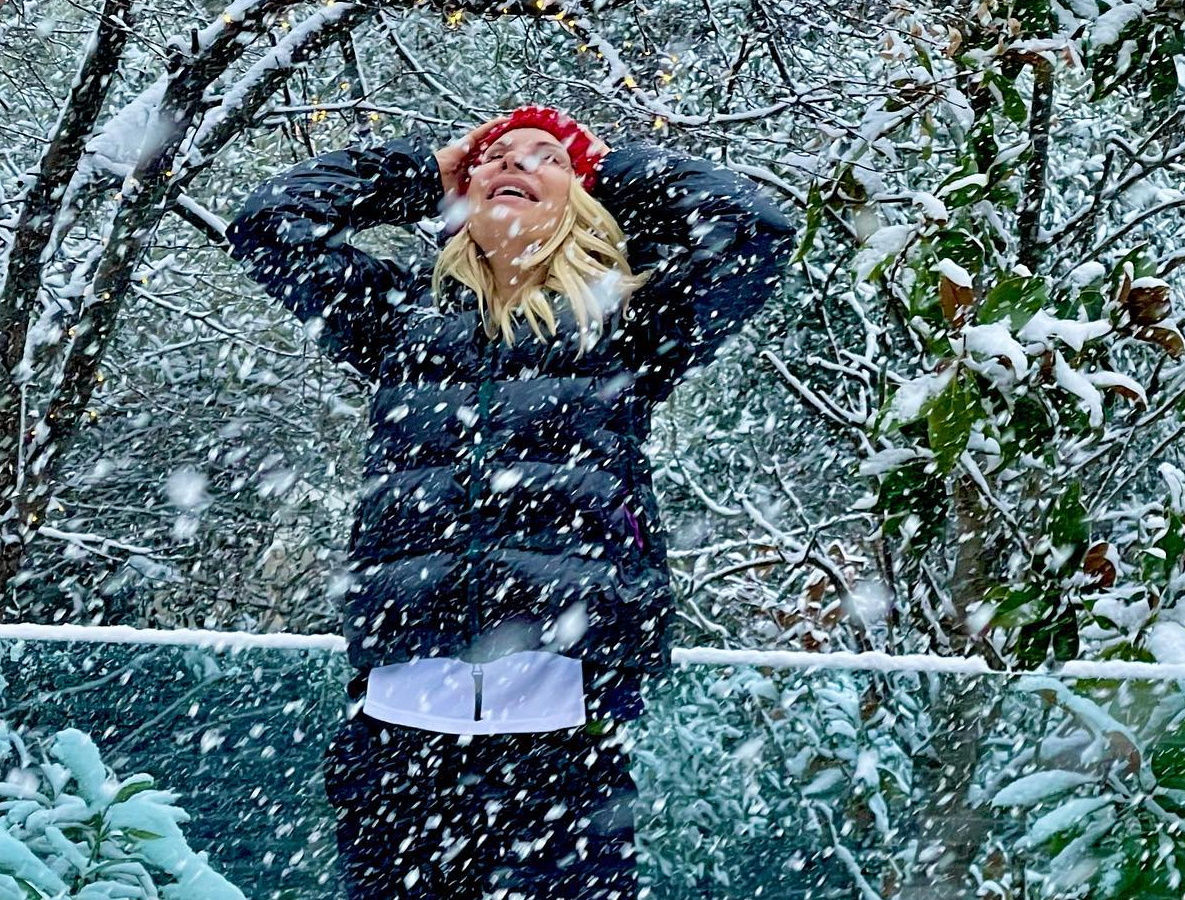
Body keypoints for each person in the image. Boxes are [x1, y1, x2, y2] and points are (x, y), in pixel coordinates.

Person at [226, 106, 794, 900]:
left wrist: (607, 168)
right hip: (398, 745)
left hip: (560, 749)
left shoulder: (625, 327)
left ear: (584, 201)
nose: (512, 164)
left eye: (544, 160)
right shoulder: (400, 323)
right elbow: (264, 223)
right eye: (492, 157)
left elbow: (758, 230)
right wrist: (427, 167)